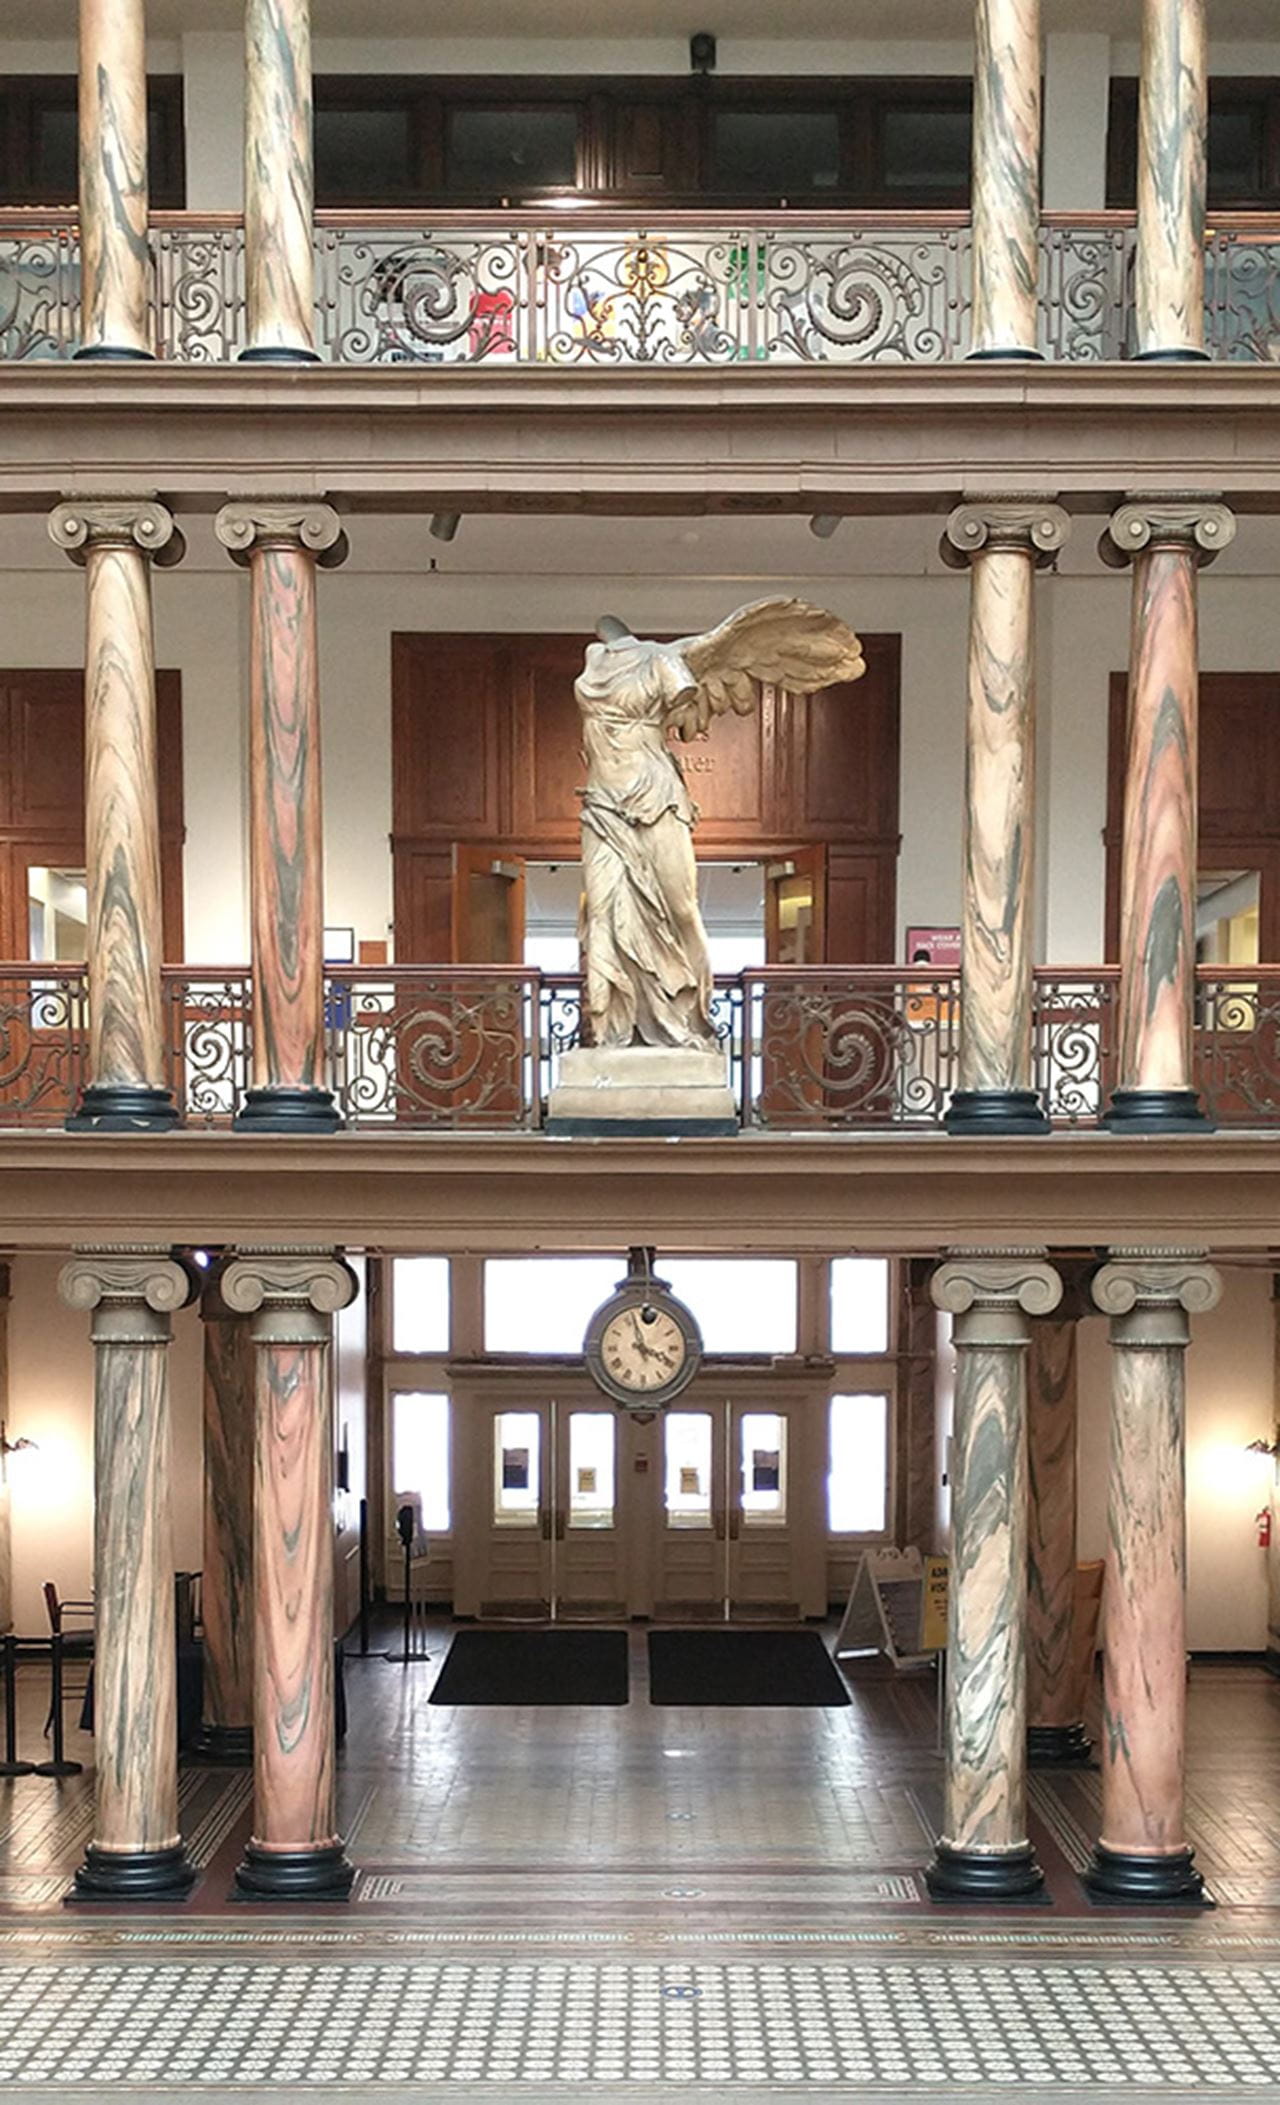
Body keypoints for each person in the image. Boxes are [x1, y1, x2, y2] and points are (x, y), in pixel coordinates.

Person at [574, 599, 865, 1049]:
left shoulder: (665, 660)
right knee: (603, 912)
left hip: (654, 796)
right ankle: (608, 1030)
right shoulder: (596, 663)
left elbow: (685, 692)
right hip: (602, 802)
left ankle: (691, 1017)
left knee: (680, 906)